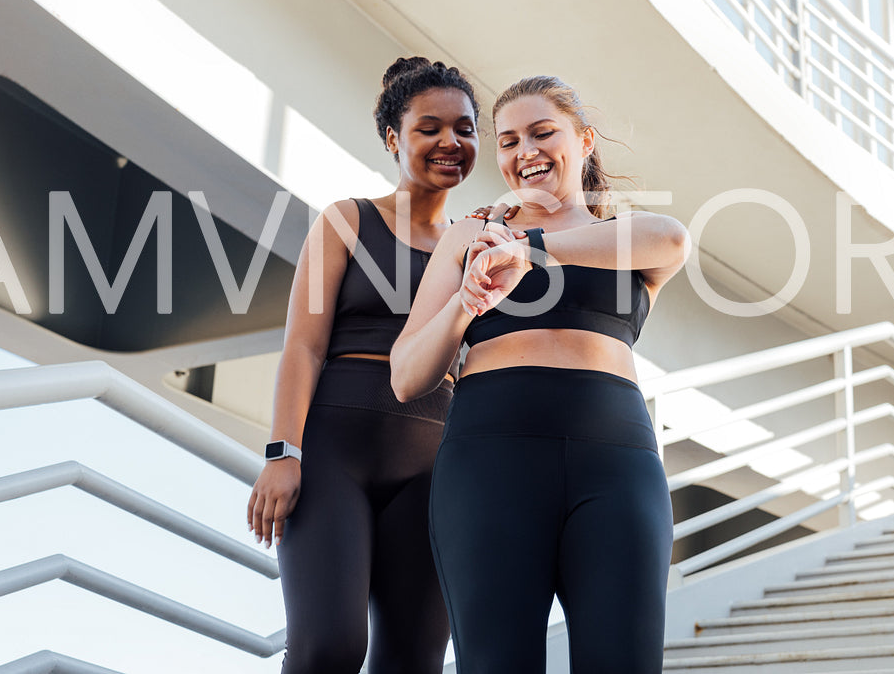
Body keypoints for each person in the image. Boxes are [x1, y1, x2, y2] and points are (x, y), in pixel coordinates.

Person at [391, 75, 689, 673]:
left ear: (584, 139)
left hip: (617, 466)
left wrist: (528, 248)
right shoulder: (469, 237)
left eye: (542, 132)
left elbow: (674, 238)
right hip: (489, 464)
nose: (524, 151)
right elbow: (405, 375)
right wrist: (466, 300)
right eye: (507, 141)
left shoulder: (624, 238)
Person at [247, 57, 480, 673]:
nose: (450, 142)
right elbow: (303, 345)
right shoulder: (347, 220)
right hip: (333, 456)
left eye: (465, 128)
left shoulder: (477, 246)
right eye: (429, 128)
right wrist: (282, 452)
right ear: (393, 138)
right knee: (329, 648)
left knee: (413, 662)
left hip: (435, 467)